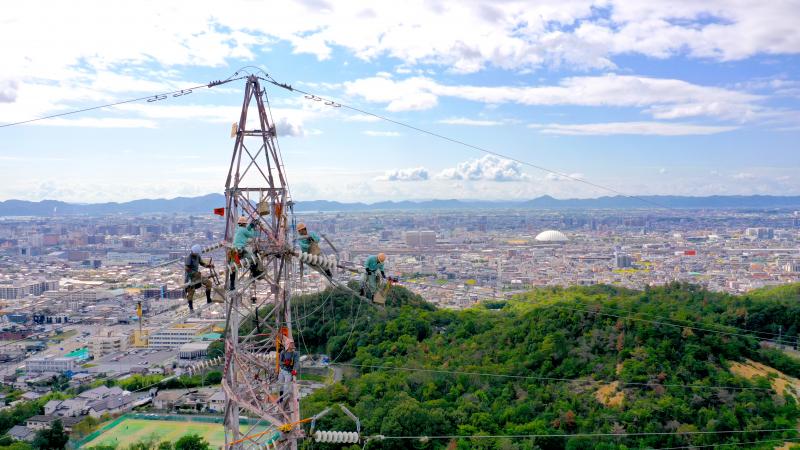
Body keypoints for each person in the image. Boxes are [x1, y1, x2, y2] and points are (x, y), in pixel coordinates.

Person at [229, 215, 261, 290]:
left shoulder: (237, 229)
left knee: (232, 268)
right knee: (253, 259)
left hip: (233, 251)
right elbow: (251, 235)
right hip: (241, 250)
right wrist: (253, 227)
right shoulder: (243, 230)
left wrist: (250, 225)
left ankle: (231, 285)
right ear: (244, 224)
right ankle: (254, 273)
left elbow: (245, 230)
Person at [185, 244, 213, 312]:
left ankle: (208, 299)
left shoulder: (197, 256)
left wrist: (208, 266)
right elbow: (187, 269)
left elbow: (202, 263)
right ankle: (191, 308)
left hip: (197, 276)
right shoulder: (189, 258)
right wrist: (194, 273)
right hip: (190, 277)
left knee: (209, 283)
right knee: (191, 291)